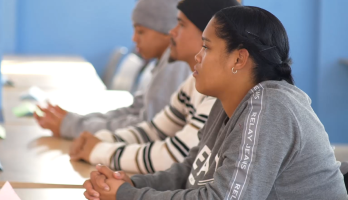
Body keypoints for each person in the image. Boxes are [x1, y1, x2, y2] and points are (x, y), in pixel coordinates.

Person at [83, 5, 347, 200]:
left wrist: (128, 195)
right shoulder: (225, 101)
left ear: (239, 59)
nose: (198, 56)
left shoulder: (270, 107)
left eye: (207, 47)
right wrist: (132, 182)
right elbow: (193, 170)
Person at [69, 0, 239, 174]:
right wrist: (101, 139)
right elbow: (153, 130)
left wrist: (99, 151)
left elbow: (175, 156)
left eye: (180, 25)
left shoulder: (219, 93)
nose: (171, 32)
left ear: (206, 34)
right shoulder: (193, 83)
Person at [34, 0, 190, 139]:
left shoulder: (175, 65)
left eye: (141, 31)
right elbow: (135, 110)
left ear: (167, 32)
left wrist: (73, 126)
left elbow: (145, 128)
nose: (134, 39)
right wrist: (77, 121)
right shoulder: (163, 62)